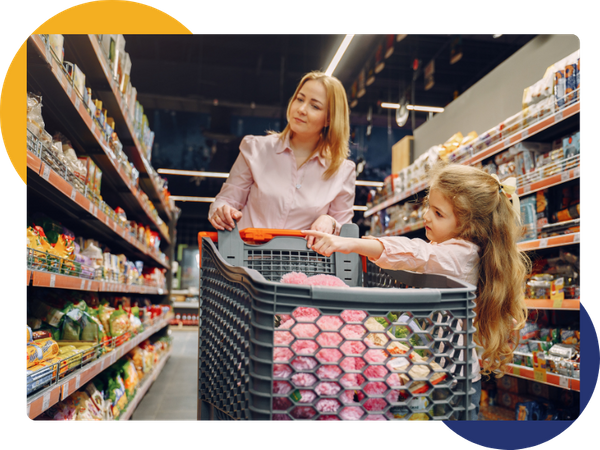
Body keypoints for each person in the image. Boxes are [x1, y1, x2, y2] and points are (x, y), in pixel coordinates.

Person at [303, 161, 531, 420]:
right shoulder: (461, 249)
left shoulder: (462, 255)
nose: (426, 217)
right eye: (428, 208)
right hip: (442, 373)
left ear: (469, 226)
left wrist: (351, 244)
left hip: (453, 384)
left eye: (438, 213)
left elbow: (417, 253)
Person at [208, 70, 356, 249]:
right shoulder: (256, 149)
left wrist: (330, 222)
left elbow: (345, 234)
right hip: (246, 263)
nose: (301, 109)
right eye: (299, 99)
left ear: (329, 119)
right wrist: (221, 211)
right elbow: (225, 201)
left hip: (302, 270)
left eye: (314, 106)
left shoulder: (342, 170)